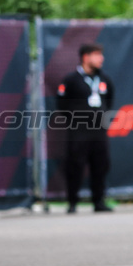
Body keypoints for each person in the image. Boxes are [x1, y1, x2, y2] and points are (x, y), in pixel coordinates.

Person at [56, 43, 115, 213]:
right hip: (79, 132)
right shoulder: (71, 80)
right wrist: (77, 120)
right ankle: (72, 202)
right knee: (75, 165)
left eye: (101, 55)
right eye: (97, 54)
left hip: (99, 131)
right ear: (85, 57)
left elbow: (109, 101)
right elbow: (62, 105)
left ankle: (99, 201)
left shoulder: (105, 79)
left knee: (101, 165)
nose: (101, 58)